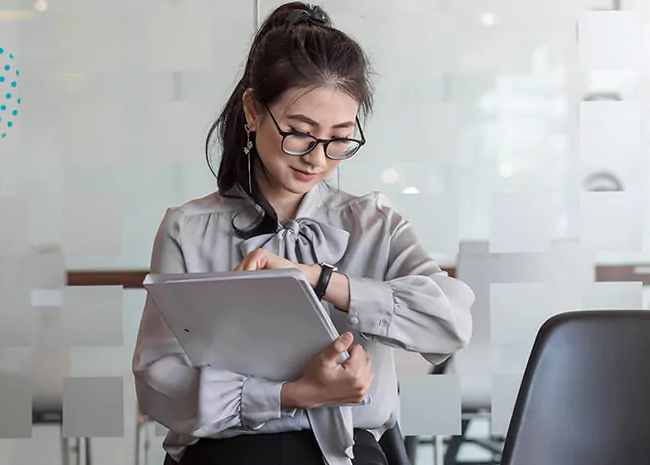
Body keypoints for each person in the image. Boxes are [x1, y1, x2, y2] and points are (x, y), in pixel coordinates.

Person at [132, 3, 474, 464]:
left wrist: (321, 279)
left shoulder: (373, 224)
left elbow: (450, 322)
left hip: (351, 452)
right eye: (300, 133)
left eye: (339, 138)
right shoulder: (188, 229)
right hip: (228, 455)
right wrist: (292, 394)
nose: (317, 158)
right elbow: (158, 383)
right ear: (253, 112)